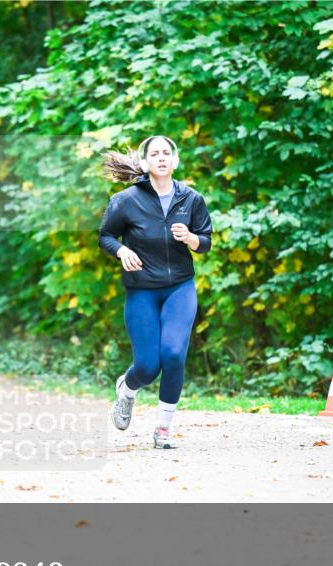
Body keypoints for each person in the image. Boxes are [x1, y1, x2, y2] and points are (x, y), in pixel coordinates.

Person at [98, 135, 213, 449]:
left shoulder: (191, 199)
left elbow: (205, 241)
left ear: (174, 161)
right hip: (142, 290)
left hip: (179, 287)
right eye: (155, 154)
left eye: (167, 153)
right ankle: (127, 390)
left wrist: (191, 238)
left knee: (174, 354)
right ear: (146, 162)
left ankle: (162, 429)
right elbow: (106, 237)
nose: (161, 158)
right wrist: (121, 252)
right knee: (148, 366)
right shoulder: (126, 200)